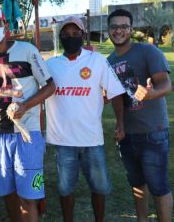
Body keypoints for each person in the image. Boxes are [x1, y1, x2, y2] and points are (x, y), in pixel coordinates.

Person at [0, 5, 55, 222]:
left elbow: (49, 86)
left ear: (5, 26)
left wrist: (25, 106)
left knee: (28, 196)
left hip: (27, 132)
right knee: (7, 193)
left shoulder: (27, 50)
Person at [45, 16, 125, 222]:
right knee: (65, 189)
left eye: (75, 33)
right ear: (60, 37)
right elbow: (36, 96)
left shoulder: (97, 61)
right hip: (63, 141)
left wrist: (120, 124)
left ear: (83, 35)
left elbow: (115, 92)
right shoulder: (50, 65)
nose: (70, 37)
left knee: (100, 187)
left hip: (92, 139)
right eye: (66, 34)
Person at [107, 9, 173, 222]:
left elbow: (166, 83)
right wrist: (119, 125)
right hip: (127, 135)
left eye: (124, 26)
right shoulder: (108, 61)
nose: (119, 31)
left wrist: (152, 93)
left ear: (131, 29)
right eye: (114, 26)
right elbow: (116, 98)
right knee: (137, 184)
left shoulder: (147, 51)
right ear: (109, 30)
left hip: (153, 132)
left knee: (158, 186)